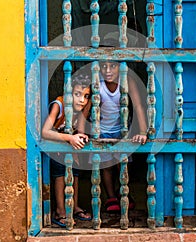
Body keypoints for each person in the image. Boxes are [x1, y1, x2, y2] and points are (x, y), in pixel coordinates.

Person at [42, 73, 92, 227]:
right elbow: (45, 132)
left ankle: (74, 206)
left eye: (86, 96)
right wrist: (69, 138)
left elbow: (80, 127)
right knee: (60, 173)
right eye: (77, 94)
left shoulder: (85, 104)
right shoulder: (60, 104)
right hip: (55, 144)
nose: (82, 100)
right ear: (68, 93)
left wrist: (79, 135)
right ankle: (60, 211)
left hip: (70, 145)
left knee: (75, 173)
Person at [98, 61, 148, 212]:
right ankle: (111, 197)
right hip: (102, 130)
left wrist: (143, 131)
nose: (108, 70)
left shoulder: (127, 81)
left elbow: (138, 105)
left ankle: (123, 193)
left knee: (122, 164)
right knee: (106, 166)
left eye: (112, 66)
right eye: (104, 66)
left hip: (123, 130)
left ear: (121, 66)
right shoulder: (97, 82)